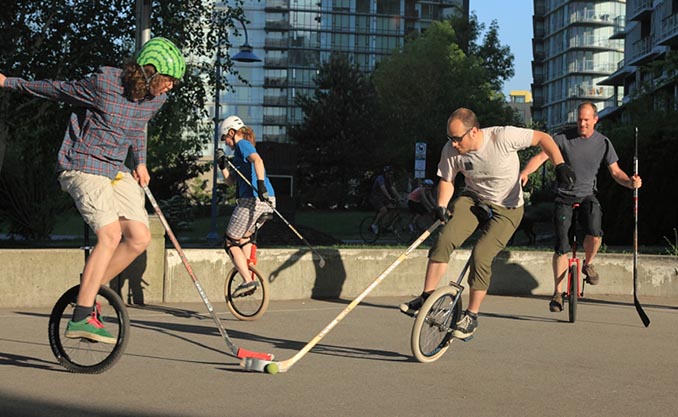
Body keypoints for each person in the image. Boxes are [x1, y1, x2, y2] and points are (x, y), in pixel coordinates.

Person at [0, 37, 185, 343]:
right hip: (82, 165)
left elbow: (137, 128)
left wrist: (140, 162)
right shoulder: (104, 84)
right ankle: (82, 316)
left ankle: (90, 284)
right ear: (149, 73)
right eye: (168, 81)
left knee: (139, 238)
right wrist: (9, 83)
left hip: (115, 169)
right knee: (110, 235)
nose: (170, 88)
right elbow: (57, 89)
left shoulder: (156, 99)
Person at [399, 108, 575, 340]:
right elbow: (448, 180)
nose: (452, 144)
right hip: (474, 199)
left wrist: (560, 165)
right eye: (449, 138)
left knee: (481, 255)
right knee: (444, 239)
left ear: (473, 132)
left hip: (508, 209)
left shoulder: (502, 137)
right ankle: (426, 296)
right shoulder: (451, 150)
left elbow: (543, 138)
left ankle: (471, 316)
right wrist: (442, 205)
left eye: (457, 139)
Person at [519, 101, 642, 312]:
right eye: (579, 120)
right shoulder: (562, 138)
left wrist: (630, 182)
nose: (582, 124)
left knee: (595, 232)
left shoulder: (603, 143)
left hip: (587, 196)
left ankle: (588, 264)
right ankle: (557, 293)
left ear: (595, 119)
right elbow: (541, 157)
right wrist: (525, 172)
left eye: (586, 120)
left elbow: (616, 172)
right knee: (561, 246)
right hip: (563, 197)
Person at [216, 115, 276, 297]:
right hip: (268, 201)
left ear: (232, 133)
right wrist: (222, 165)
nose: (225, 142)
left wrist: (261, 186)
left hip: (254, 199)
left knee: (229, 241)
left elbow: (258, 161)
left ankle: (248, 281)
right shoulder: (238, 155)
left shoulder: (242, 144)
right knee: (244, 239)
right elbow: (230, 182)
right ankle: (249, 273)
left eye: (225, 138)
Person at [368, 165, 400, 234]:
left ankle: (387, 225)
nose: (390, 175)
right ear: (385, 173)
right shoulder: (380, 178)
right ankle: (374, 224)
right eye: (389, 173)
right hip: (375, 197)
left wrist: (399, 197)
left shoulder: (389, 179)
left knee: (393, 209)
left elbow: (393, 188)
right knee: (384, 210)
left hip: (383, 197)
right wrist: (389, 197)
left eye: (391, 173)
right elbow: (383, 189)